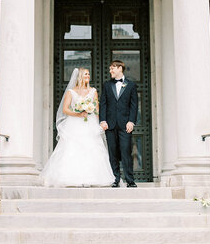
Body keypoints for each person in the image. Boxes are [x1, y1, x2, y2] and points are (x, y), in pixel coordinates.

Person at [40, 67, 114, 187]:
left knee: (92, 148)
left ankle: (92, 178)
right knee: (72, 149)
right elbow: (65, 109)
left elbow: (97, 109)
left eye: (89, 74)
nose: (88, 76)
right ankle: (71, 178)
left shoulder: (93, 91)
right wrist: (78, 114)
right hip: (74, 124)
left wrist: (101, 122)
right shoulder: (71, 92)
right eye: (85, 74)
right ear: (80, 76)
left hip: (90, 123)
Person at [99, 59, 138, 187]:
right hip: (109, 125)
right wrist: (102, 120)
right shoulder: (106, 85)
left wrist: (131, 121)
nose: (110, 70)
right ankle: (115, 179)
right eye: (110, 68)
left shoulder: (131, 85)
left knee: (126, 152)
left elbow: (134, 106)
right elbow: (103, 104)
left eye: (112, 68)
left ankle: (130, 180)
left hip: (125, 125)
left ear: (120, 68)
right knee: (112, 152)